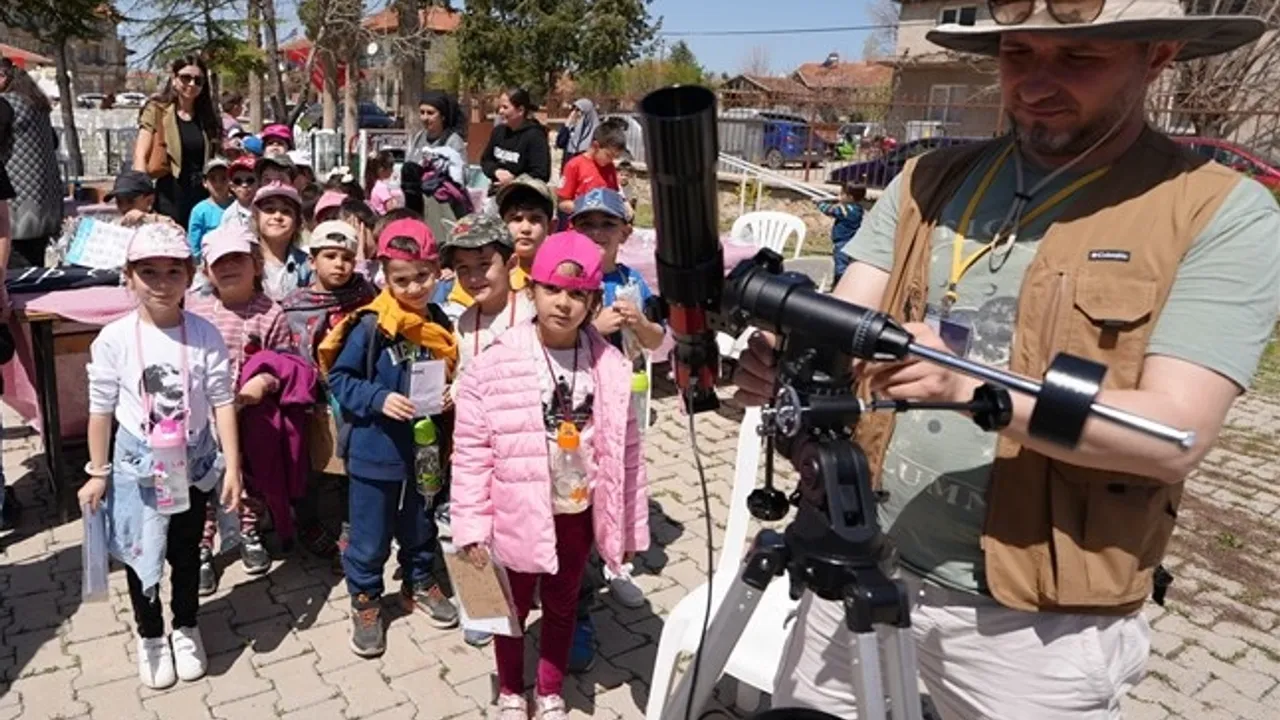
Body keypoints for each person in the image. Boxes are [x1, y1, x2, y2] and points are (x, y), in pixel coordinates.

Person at [731, 4, 1280, 718]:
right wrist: (791, 362)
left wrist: (973, 387)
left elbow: (1175, 433)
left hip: (1037, 623)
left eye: (1078, 59)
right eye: (1018, 53)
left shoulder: (1216, 212)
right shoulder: (931, 180)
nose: (1036, 82)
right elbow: (847, 319)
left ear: (1158, 55)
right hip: (859, 557)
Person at [451, 230, 650, 720]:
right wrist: (471, 527)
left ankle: (551, 688)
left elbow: (628, 454)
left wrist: (627, 525)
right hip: (515, 512)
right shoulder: (492, 365)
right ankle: (511, 692)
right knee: (508, 608)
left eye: (578, 294)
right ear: (529, 291)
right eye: (552, 290)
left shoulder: (611, 367)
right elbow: (472, 453)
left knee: (563, 605)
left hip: (576, 513)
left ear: (593, 300)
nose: (564, 303)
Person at [78, 223, 243, 689]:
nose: (161, 282)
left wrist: (233, 463)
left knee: (186, 551)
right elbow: (101, 409)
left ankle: (186, 626)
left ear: (190, 276)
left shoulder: (204, 334)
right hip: (138, 467)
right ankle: (150, 634)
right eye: (148, 271)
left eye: (173, 271)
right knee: (140, 553)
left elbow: (222, 401)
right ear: (128, 277)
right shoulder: (112, 339)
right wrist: (98, 472)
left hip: (190, 463)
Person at [320, 217, 460, 657]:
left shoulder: (441, 321)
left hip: (425, 450)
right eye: (402, 279)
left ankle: (418, 580)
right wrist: (378, 398)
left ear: (437, 271)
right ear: (385, 276)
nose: (415, 287)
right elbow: (338, 378)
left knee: (421, 521)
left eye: (423, 276)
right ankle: (364, 599)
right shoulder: (370, 326)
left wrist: (452, 392)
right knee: (369, 533)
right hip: (375, 451)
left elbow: (452, 368)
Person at [184, 225, 293, 594]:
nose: (229, 267)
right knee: (204, 478)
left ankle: (249, 529)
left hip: (252, 413)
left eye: (238, 259)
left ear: (256, 264)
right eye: (220, 261)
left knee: (252, 475)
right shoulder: (195, 310)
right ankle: (201, 545)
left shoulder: (270, 312)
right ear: (205, 269)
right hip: (204, 415)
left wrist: (265, 382)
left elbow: (285, 361)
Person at [281, 220, 377, 563]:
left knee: (355, 464)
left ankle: (353, 525)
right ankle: (307, 522)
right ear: (312, 260)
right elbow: (285, 354)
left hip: (357, 397)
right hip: (310, 400)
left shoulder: (368, 298)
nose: (339, 264)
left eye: (347, 257)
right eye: (330, 256)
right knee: (311, 467)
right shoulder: (293, 306)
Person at [134, 55, 221, 228]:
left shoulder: (208, 118)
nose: (191, 84)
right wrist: (141, 197)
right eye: (185, 78)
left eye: (198, 80)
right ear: (174, 79)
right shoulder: (157, 110)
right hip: (170, 194)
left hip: (203, 195)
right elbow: (140, 154)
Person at [0, 58, 63, 267]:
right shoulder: (37, 105)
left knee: (15, 272)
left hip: (16, 203)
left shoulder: (6, 104)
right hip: (45, 201)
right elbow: (53, 142)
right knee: (33, 266)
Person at [250, 182, 312, 301]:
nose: (278, 216)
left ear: (297, 222)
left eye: (286, 211)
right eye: (269, 209)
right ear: (256, 217)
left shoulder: (307, 265)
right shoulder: (243, 260)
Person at [480, 88, 552, 189]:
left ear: (520, 110)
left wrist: (514, 181)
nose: (500, 111)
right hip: (496, 193)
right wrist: (496, 171)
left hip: (522, 198)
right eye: (499, 107)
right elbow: (486, 161)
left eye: (505, 107)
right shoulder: (498, 132)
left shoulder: (535, 136)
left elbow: (541, 173)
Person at [556, 120, 627, 217]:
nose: (611, 160)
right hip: (580, 225)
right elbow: (562, 203)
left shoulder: (610, 167)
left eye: (615, 157)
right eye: (609, 155)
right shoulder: (574, 165)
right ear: (595, 146)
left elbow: (614, 195)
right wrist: (587, 209)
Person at [497, 175, 555, 290]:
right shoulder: (488, 272)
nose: (525, 229)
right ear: (502, 225)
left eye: (535, 219)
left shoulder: (560, 274)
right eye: (517, 219)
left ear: (551, 226)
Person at [816, 182, 867, 283]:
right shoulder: (857, 209)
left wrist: (819, 204)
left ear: (850, 197)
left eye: (842, 194)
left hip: (842, 243)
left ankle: (839, 284)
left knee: (841, 266)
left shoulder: (846, 210)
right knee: (848, 264)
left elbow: (829, 210)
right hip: (851, 242)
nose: (839, 196)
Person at [187, 158, 233, 257]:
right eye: (212, 179)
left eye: (223, 178)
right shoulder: (199, 211)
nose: (218, 184)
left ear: (230, 181)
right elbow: (194, 246)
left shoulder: (238, 205)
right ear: (204, 182)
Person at [407, 91, 467, 165]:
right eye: (422, 112)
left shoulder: (453, 141)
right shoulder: (419, 137)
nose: (425, 118)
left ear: (443, 116)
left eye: (430, 113)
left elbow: (460, 172)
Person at [554, 98, 601, 171]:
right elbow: (560, 143)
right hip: (569, 170)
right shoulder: (571, 129)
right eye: (573, 110)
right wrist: (567, 123)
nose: (575, 113)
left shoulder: (597, 132)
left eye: (578, 110)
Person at [217, 156, 258, 232]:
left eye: (250, 180)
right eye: (238, 181)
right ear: (232, 186)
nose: (244, 185)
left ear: (258, 182)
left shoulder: (265, 209)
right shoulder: (228, 215)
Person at [364, 150, 402, 215]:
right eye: (391, 167)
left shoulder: (375, 185)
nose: (392, 170)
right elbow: (391, 209)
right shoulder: (381, 187)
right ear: (381, 170)